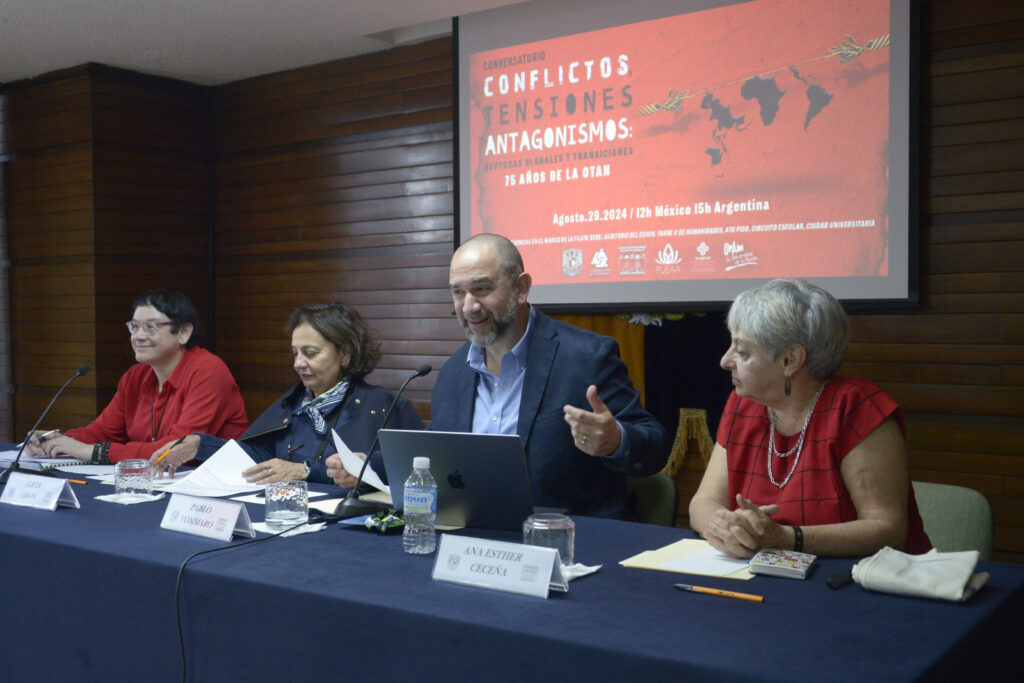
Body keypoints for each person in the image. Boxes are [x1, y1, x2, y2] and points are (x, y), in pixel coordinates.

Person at [425, 233, 668, 518]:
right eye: (458, 292)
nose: (469, 306)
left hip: (568, 543)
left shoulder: (587, 357)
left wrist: (617, 441)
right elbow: (435, 461)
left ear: (522, 288)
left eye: (482, 288)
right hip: (473, 540)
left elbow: (654, 446)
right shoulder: (453, 373)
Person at [689, 279, 931, 558]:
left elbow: (887, 529)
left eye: (742, 351)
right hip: (762, 573)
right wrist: (731, 529)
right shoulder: (742, 405)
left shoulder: (856, 407)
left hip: (854, 581)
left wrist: (786, 539)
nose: (725, 361)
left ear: (790, 360)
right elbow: (704, 502)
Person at [153, 302, 422, 485]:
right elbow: (256, 459)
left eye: (310, 353)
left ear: (345, 353)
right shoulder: (293, 403)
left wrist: (305, 471)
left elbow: (409, 467)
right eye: (295, 353)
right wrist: (200, 444)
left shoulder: (384, 405)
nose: (298, 363)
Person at [28, 289, 249, 464]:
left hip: (210, 489)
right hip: (156, 481)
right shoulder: (135, 376)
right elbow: (102, 431)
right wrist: (59, 441)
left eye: (150, 327)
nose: (138, 336)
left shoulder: (208, 371)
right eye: (134, 326)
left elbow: (175, 450)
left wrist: (92, 452)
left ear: (183, 332)